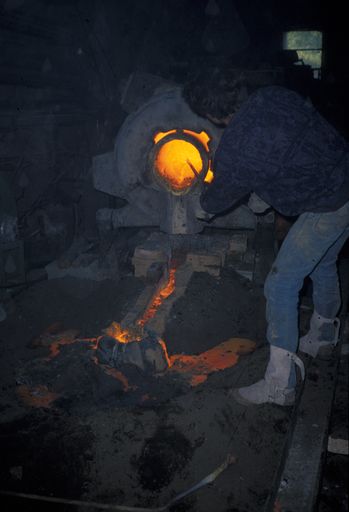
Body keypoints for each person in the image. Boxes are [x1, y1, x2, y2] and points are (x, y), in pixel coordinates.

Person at [183, 69, 349, 406]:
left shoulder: (238, 144)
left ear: (211, 115)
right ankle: (324, 336)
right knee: (323, 261)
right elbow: (290, 147)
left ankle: (279, 385)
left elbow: (214, 200)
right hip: (345, 172)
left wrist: (199, 205)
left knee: (280, 283)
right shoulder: (275, 95)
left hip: (330, 202)